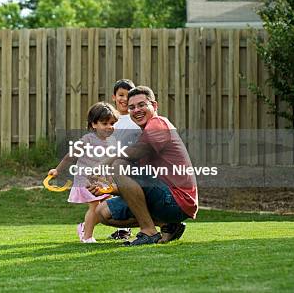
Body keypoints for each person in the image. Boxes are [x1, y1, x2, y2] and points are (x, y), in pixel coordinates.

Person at [88, 86, 199, 246]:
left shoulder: (158, 123)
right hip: (163, 197)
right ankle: (167, 225)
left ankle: (148, 232)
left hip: (176, 199)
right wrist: (108, 189)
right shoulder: (144, 135)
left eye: (141, 105)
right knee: (103, 213)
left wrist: (105, 162)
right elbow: (136, 188)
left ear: (154, 106)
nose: (136, 110)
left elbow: (134, 153)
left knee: (120, 164)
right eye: (131, 107)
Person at [48, 102, 119, 243]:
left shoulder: (112, 141)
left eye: (112, 123)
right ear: (94, 124)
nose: (109, 127)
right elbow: (70, 156)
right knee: (94, 206)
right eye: (104, 123)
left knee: (106, 207)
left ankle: (84, 227)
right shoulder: (87, 140)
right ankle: (87, 237)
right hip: (86, 180)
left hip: (103, 180)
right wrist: (57, 170)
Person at [107, 79, 141, 240]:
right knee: (114, 195)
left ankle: (132, 228)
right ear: (114, 97)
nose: (124, 99)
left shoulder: (136, 119)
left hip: (130, 164)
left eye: (128, 96)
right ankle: (124, 228)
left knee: (130, 194)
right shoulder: (111, 119)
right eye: (121, 95)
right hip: (110, 163)